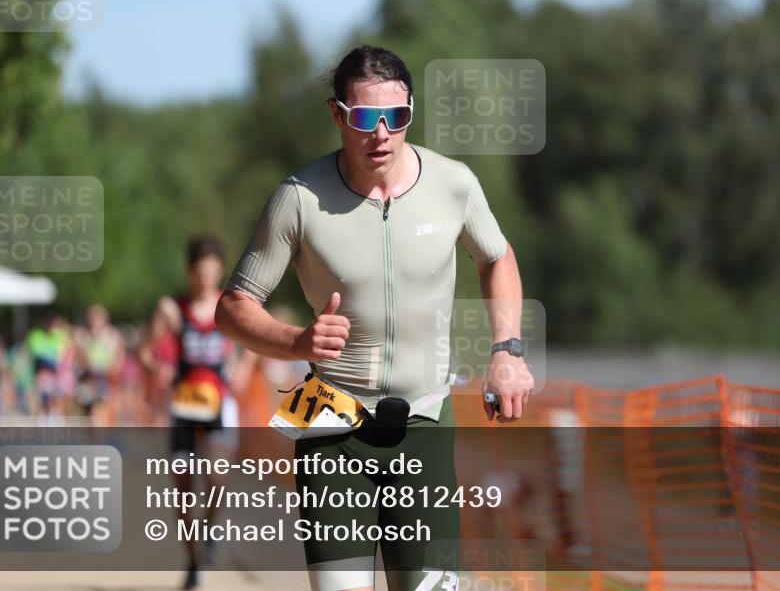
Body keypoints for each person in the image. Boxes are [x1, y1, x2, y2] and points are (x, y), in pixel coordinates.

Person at [216, 45, 534, 591]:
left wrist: (506, 349)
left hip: (424, 425)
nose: (382, 132)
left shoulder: (453, 184)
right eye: (365, 118)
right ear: (338, 114)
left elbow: (497, 256)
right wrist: (296, 340)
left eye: (398, 116)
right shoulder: (299, 198)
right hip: (332, 428)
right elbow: (233, 308)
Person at [140, 235, 246, 589]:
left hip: (219, 403)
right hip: (184, 404)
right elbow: (145, 351)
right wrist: (157, 368)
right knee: (184, 491)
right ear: (190, 272)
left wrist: (241, 368)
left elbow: (255, 343)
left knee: (217, 479)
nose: (205, 278)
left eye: (212, 271)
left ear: (219, 272)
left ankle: (211, 527)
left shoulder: (231, 306)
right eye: (199, 272)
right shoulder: (172, 309)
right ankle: (193, 560)